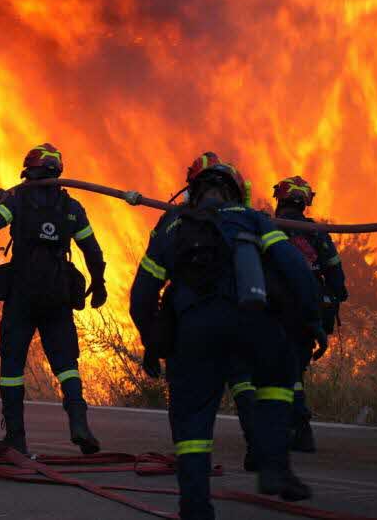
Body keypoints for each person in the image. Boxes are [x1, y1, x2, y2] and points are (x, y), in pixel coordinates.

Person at [129, 155, 324, 519]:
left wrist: (154, 342)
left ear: (193, 190)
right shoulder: (253, 219)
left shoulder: (172, 225)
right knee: (278, 377)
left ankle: (195, 507)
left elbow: (142, 296)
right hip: (253, 319)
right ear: (235, 192)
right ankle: (274, 465)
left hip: (193, 330)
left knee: (192, 422)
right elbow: (296, 269)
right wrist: (312, 321)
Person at [0, 143, 106, 455]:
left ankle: (15, 438)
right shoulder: (71, 207)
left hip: (22, 295)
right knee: (66, 363)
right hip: (57, 295)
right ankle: (79, 423)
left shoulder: (17, 199)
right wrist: (99, 283)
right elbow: (92, 249)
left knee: (12, 366)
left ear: (28, 171)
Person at [271, 176, 347, 453]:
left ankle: (297, 429)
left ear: (280, 200)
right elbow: (337, 279)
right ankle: (293, 429)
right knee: (294, 371)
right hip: (309, 315)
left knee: (281, 372)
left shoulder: (270, 228)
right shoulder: (317, 233)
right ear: (305, 203)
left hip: (278, 311)